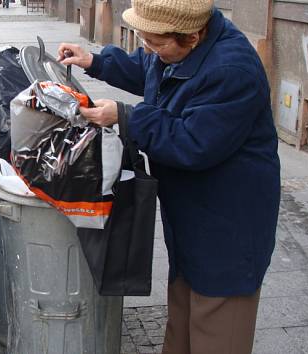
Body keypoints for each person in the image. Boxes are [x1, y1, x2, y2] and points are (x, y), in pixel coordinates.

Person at [58, 0, 280, 353]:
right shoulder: (179, 49)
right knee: (182, 319)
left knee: (218, 326)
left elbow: (194, 143)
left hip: (228, 226)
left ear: (192, 36)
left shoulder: (232, 70)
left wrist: (128, 117)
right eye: (144, 39)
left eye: (157, 43)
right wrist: (96, 62)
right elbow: (149, 67)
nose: (149, 49)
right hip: (192, 218)